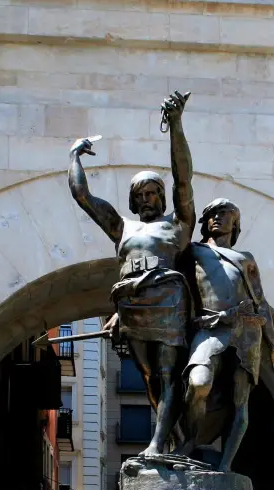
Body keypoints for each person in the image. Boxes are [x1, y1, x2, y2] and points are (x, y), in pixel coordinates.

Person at [67, 91, 194, 458]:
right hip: (133, 305)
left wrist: (176, 126)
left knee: (168, 374)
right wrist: (74, 155)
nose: (149, 198)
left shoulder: (179, 225)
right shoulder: (122, 228)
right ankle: (169, 434)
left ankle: (156, 444)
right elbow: (83, 196)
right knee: (151, 377)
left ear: (162, 197)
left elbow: (184, 179)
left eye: (155, 192)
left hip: (168, 301)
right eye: (142, 194)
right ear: (133, 200)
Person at [180, 198, 274, 472]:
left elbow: (261, 302)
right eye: (211, 214)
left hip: (247, 330)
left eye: (224, 213)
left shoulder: (246, 259)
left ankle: (225, 465)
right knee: (198, 383)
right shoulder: (193, 252)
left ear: (235, 222)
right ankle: (190, 442)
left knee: (239, 401)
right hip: (211, 327)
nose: (216, 218)